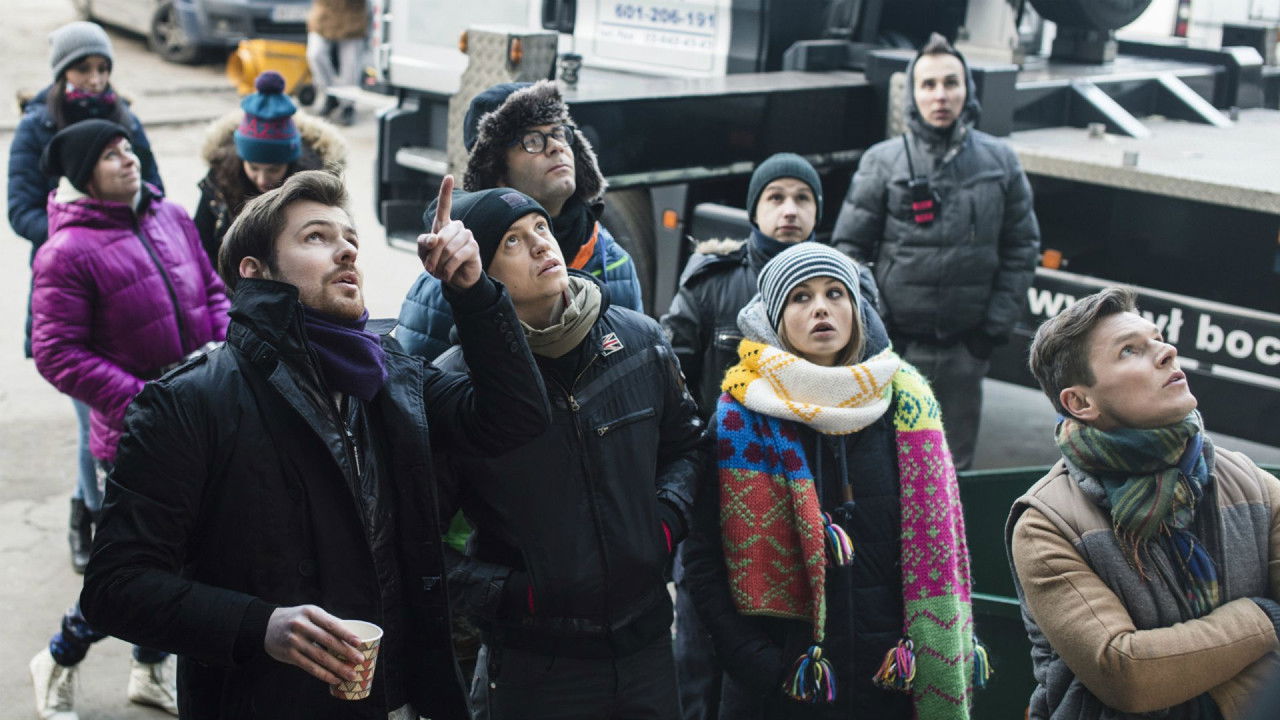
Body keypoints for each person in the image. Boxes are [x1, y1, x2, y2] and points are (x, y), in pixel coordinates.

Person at [79, 171, 550, 720]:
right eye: (316, 237)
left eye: (350, 238)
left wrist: (473, 293)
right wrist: (260, 626)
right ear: (255, 272)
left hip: (394, 699)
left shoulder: (392, 377)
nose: (347, 251)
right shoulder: (189, 403)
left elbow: (515, 418)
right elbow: (116, 587)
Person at [431, 186, 706, 719]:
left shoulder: (640, 341)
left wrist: (664, 523)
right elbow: (419, 538)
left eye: (540, 227)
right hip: (536, 665)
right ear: (477, 272)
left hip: (647, 646)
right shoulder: (459, 385)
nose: (541, 244)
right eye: (512, 241)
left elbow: (688, 447)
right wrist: (513, 594)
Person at [684, 243, 981, 719]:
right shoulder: (740, 415)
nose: (820, 307)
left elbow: (945, 541)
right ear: (775, 318)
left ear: (856, 309)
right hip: (783, 688)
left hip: (890, 681)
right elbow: (702, 556)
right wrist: (754, 661)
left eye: (835, 293)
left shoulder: (908, 401)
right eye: (800, 297)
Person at [662, 152, 876, 720]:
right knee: (701, 658)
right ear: (753, 208)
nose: (789, 210)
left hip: (818, 506)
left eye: (802, 198)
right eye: (775, 197)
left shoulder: (853, 286)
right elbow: (670, 380)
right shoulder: (713, 283)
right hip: (726, 485)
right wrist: (702, 454)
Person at [28, 119, 229, 720]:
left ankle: (149, 668)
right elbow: (57, 352)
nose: (129, 158)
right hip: (134, 433)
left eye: (128, 148)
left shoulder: (170, 216)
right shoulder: (65, 252)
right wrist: (145, 399)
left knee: (187, 562)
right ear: (84, 174)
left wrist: (224, 356)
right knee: (137, 572)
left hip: (202, 412)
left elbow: (213, 291)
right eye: (111, 155)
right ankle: (59, 657)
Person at [1007, 286, 1280, 719]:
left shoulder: (1251, 484)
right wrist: (1264, 618)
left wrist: (1181, 662)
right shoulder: (1047, 524)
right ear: (1080, 402)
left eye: (1158, 339)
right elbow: (1127, 675)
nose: (1167, 352)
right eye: (1129, 350)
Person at [830, 32, 1040, 470]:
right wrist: (878, 328)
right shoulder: (882, 161)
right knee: (885, 467)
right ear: (913, 94)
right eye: (928, 85)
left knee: (951, 472)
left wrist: (989, 333)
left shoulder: (1000, 162)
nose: (940, 95)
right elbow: (849, 251)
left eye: (950, 83)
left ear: (967, 91)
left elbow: (1022, 247)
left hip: (966, 352)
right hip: (895, 350)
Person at [8, 19, 163, 574]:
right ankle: (90, 516)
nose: (95, 80)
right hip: (72, 291)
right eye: (83, 69)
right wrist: (78, 237)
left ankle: (110, 514)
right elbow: (21, 209)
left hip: (130, 291)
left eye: (102, 68)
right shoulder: (37, 126)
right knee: (92, 419)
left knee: (128, 421)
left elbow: (155, 189)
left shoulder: (125, 118)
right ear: (62, 73)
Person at [398, 79, 643, 361]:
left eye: (559, 133)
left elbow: (637, 364)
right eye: (533, 141)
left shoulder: (614, 262)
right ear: (497, 173)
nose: (556, 147)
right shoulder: (455, 276)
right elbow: (415, 380)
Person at [194, 70, 347, 265]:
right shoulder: (220, 179)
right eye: (253, 168)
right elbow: (200, 244)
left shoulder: (316, 188)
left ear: (291, 164)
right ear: (241, 159)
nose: (262, 179)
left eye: (273, 169)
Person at [305, 0, 367, 126]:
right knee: (315, 54)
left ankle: (347, 106)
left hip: (351, 17)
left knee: (350, 66)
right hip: (324, 15)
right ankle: (331, 95)